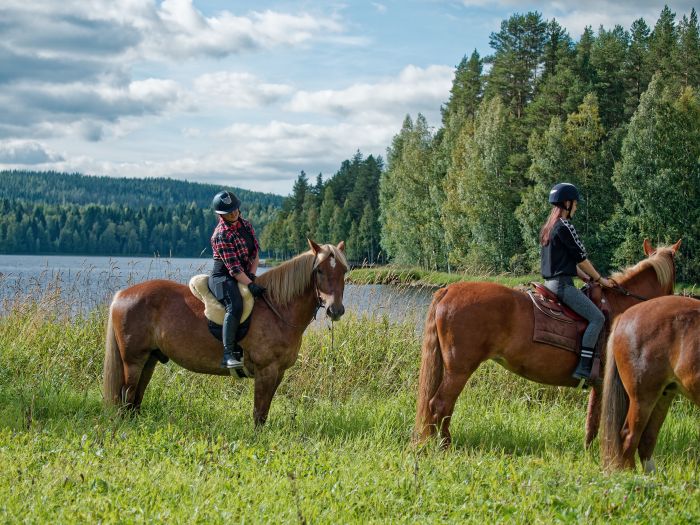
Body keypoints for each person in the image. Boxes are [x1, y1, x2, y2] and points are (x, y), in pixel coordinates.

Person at [540, 182, 613, 380]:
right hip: (562, 285)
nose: (577, 207)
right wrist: (600, 279)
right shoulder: (565, 226)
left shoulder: (549, 227)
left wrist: (583, 276)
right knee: (597, 318)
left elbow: (565, 260)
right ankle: (584, 367)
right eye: (575, 203)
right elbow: (581, 258)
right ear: (567, 203)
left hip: (550, 284)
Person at [209, 190, 266, 369]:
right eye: (229, 212)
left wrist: (252, 275)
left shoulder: (246, 225)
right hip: (223, 276)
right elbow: (233, 269)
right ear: (221, 215)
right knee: (235, 305)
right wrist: (249, 284)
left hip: (244, 272)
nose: (233, 213)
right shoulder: (220, 234)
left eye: (235, 209)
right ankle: (228, 354)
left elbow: (255, 253)